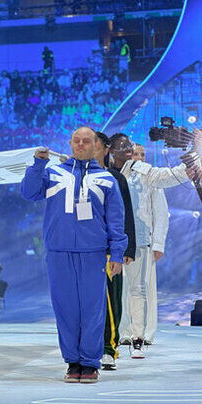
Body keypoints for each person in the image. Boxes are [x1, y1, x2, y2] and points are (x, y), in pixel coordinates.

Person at [21, 127, 127, 383]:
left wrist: (117, 254)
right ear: (70, 144)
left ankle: (90, 363)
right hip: (59, 251)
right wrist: (38, 164)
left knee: (93, 309)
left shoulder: (107, 179)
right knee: (65, 309)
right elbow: (29, 192)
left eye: (86, 141)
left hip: (93, 253)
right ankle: (72, 362)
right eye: (76, 141)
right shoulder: (53, 173)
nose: (81, 145)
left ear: (95, 146)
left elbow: (116, 220)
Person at [111, 138, 175, 358]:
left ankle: (142, 334)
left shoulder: (148, 177)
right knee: (119, 292)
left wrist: (158, 243)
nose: (137, 158)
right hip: (116, 242)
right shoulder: (112, 175)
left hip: (141, 241)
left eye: (142, 155)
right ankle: (120, 333)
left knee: (140, 289)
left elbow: (160, 214)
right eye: (134, 154)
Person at [94, 132, 136, 371]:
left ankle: (109, 348)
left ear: (105, 149)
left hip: (110, 250)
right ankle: (90, 346)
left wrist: (127, 248)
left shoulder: (115, 178)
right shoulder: (77, 177)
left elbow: (125, 214)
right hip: (85, 251)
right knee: (88, 302)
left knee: (111, 300)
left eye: (94, 145)